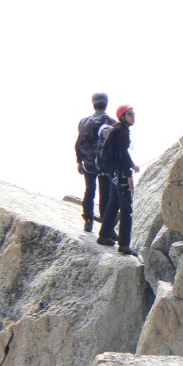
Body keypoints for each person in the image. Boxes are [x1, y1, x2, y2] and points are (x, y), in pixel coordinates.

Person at [97, 104, 139, 255]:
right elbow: (122, 154)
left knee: (114, 203)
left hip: (112, 171)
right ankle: (124, 245)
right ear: (123, 117)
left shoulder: (117, 130)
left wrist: (132, 165)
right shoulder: (122, 132)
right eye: (129, 114)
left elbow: (121, 153)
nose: (133, 116)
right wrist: (129, 174)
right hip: (120, 172)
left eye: (133, 113)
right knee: (127, 208)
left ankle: (104, 235)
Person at [75, 92, 116, 232]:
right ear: (106, 104)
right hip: (104, 165)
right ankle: (106, 226)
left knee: (90, 190)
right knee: (105, 194)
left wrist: (79, 161)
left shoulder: (83, 121)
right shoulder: (111, 123)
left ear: (93, 104)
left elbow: (78, 142)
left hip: (88, 163)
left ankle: (88, 219)